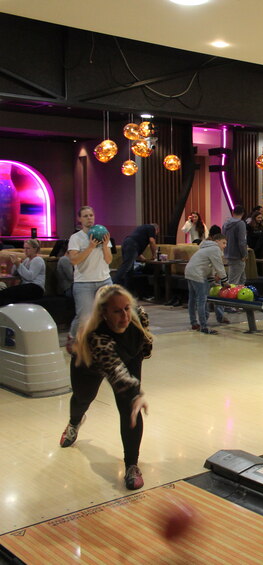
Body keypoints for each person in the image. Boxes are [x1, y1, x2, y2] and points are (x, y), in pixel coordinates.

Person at [60, 285, 152, 490]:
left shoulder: (139, 317)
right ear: (104, 313)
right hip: (90, 364)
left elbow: (143, 342)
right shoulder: (96, 336)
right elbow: (113, 369)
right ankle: (74, 422)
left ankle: (131, 465)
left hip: (128, 358)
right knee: (83, 398)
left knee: (131, 409)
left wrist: (135, 394)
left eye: (127, 308)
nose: (125, 315)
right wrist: (134, 392)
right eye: (117, 311)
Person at [67, 206, 113, 348]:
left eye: (91, 215)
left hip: (104, 280)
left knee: (110, 313)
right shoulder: (76, 238)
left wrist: (104, 246)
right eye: (85, 216)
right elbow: (74, 260)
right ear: (79, 219)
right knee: (84, 317)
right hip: (84, 283)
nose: (89, 218)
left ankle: (104, 342)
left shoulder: (103, 234)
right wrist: (90, 247)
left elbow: (109, 260)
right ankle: (73, 338)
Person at [184, 233, 228, 334]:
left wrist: (212, 281)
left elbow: (208, 267)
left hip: (189, 272)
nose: (225, 246)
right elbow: (219, 267)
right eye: (223, 243)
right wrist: (225, 281)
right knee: (202, 300)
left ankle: (194, 323)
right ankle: (204, 327)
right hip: (198, 274)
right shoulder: (215, 248)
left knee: (192, 299)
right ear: (217, 241)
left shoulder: (205, 247)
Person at [0, 239, 45, 306]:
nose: (25, 251)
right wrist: (15, 264)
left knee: (5, 293)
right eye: (24, 248)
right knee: (4, 294)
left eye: (28, 248)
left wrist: (18, 264)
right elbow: (14, 273)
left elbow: (30, 277)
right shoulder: (27, 260)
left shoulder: (38, 260)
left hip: (36, 288)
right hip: (26, 286)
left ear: (35, 249)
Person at [114, 224, 158, 289]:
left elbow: (136, 245)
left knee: (129, 271)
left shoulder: (141, 229)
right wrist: (154, 255)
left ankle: (127, 290)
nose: (155, 235)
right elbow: (152, 241)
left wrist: (143, 259)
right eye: (156, 234)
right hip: (131, 245)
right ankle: (111, 286)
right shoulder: (151, 228)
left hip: (126, 243)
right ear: (156, 230)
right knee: (125, 268)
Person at [223, 205, 248, 285]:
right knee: (234, 282)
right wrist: (244, 254)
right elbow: (242, 242)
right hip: (238, 255)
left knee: (241, 279)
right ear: (243, 213)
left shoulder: (225, 224)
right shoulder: (241, 224)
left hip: (228, 253)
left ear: (232, 212)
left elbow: (223, 239)